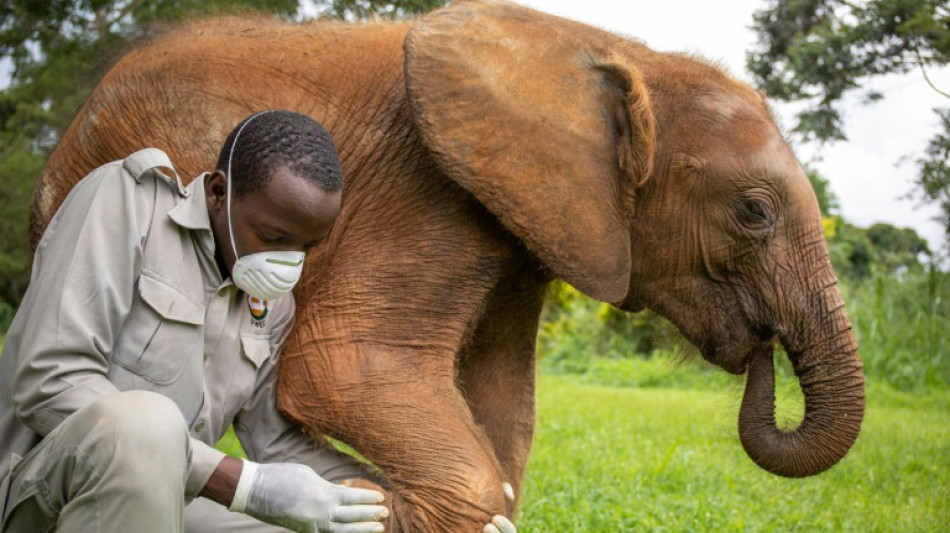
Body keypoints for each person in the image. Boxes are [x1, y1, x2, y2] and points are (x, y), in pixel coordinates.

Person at [0, 110, 516, 533]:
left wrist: (434, 511)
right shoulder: (127, 203)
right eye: (274, 237)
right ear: (219, 192)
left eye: (308, 247)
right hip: (42, 494)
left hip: (167, 505)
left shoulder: (270, 303)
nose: (291, 262)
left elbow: (276, 444)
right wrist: (240, 484)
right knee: (147, 422)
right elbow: (50, 381)